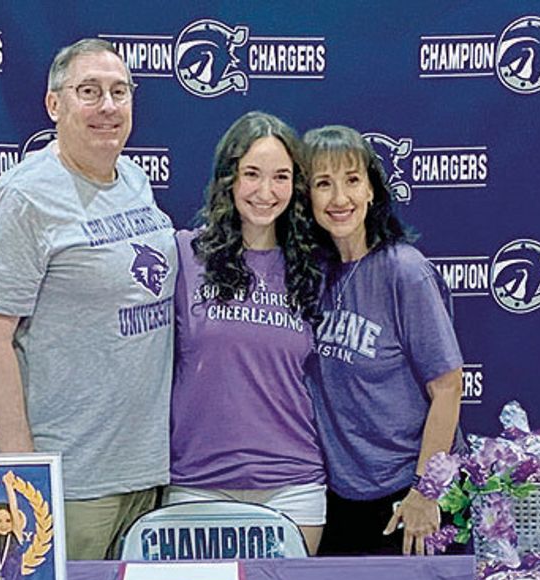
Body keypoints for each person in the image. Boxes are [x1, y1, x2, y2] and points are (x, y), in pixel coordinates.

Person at [0, 38, 176, 561]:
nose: (108, 106)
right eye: (89, 91)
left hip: (145, 473)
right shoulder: (23, 198)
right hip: (68, 482)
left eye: (119, 91)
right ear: (54, 104)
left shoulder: (133, 178)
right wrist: (22, 471)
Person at [168, 112, 325, 554]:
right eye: (251, 174)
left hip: (292, 484)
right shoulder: (184, 255)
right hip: (198, 482)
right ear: (228, 179)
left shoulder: (314, 267)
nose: (264, 191)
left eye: (280, 177)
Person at [303, 125, 464, 556]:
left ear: (373, 190)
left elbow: (447, 388)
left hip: (405, 496)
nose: (340, 199)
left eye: (352, 180)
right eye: (323, 184)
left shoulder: (405, 272)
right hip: (338, 498)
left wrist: (426, 492)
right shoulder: (310, 274)